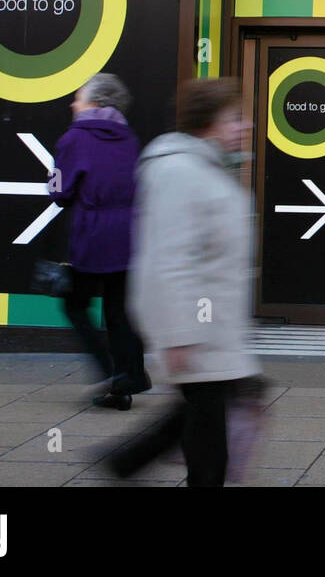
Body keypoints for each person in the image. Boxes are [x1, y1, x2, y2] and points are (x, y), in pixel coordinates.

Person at [116, 78, 261, 487]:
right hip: (197, 333)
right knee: (209, 447)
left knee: (199, 419)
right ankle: (126, 463)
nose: (244, 127)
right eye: (235, 118)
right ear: (207, 122)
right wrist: (179, 334)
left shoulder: (207, 168)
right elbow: (169, 259)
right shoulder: (179, 170)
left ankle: (125, 463)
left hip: (215, 332)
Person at [49, 73, 150, 410]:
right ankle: (127, 380)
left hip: (92, 235)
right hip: (128, 234)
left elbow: (59, 191)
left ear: (93, 102)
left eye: (78, 97)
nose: (72, 103)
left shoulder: (73, 139)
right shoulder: (129, 138)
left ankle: (109, 372)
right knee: (118, 309)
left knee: (74, 303)